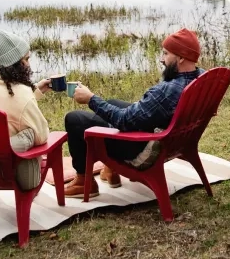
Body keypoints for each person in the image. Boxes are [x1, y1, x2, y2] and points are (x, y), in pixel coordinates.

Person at [63, 28, 205, 198]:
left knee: (74, 119)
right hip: (176, 141)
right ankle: (110, 171)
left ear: (181, 58)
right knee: (112, 103)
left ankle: (83, 180)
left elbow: (124, 121)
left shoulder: (167, 91)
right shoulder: (201, 77)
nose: (161, 59)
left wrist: (91, 99)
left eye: (166, 54)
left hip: (143, 149)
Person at [0, 29, 52, 190]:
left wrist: (35, 90)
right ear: (15, 62)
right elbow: (42, 137)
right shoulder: (22, 94)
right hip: (16, 174)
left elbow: (5, 101)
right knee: (31, 134)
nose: (28, 64)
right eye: (26, 59)